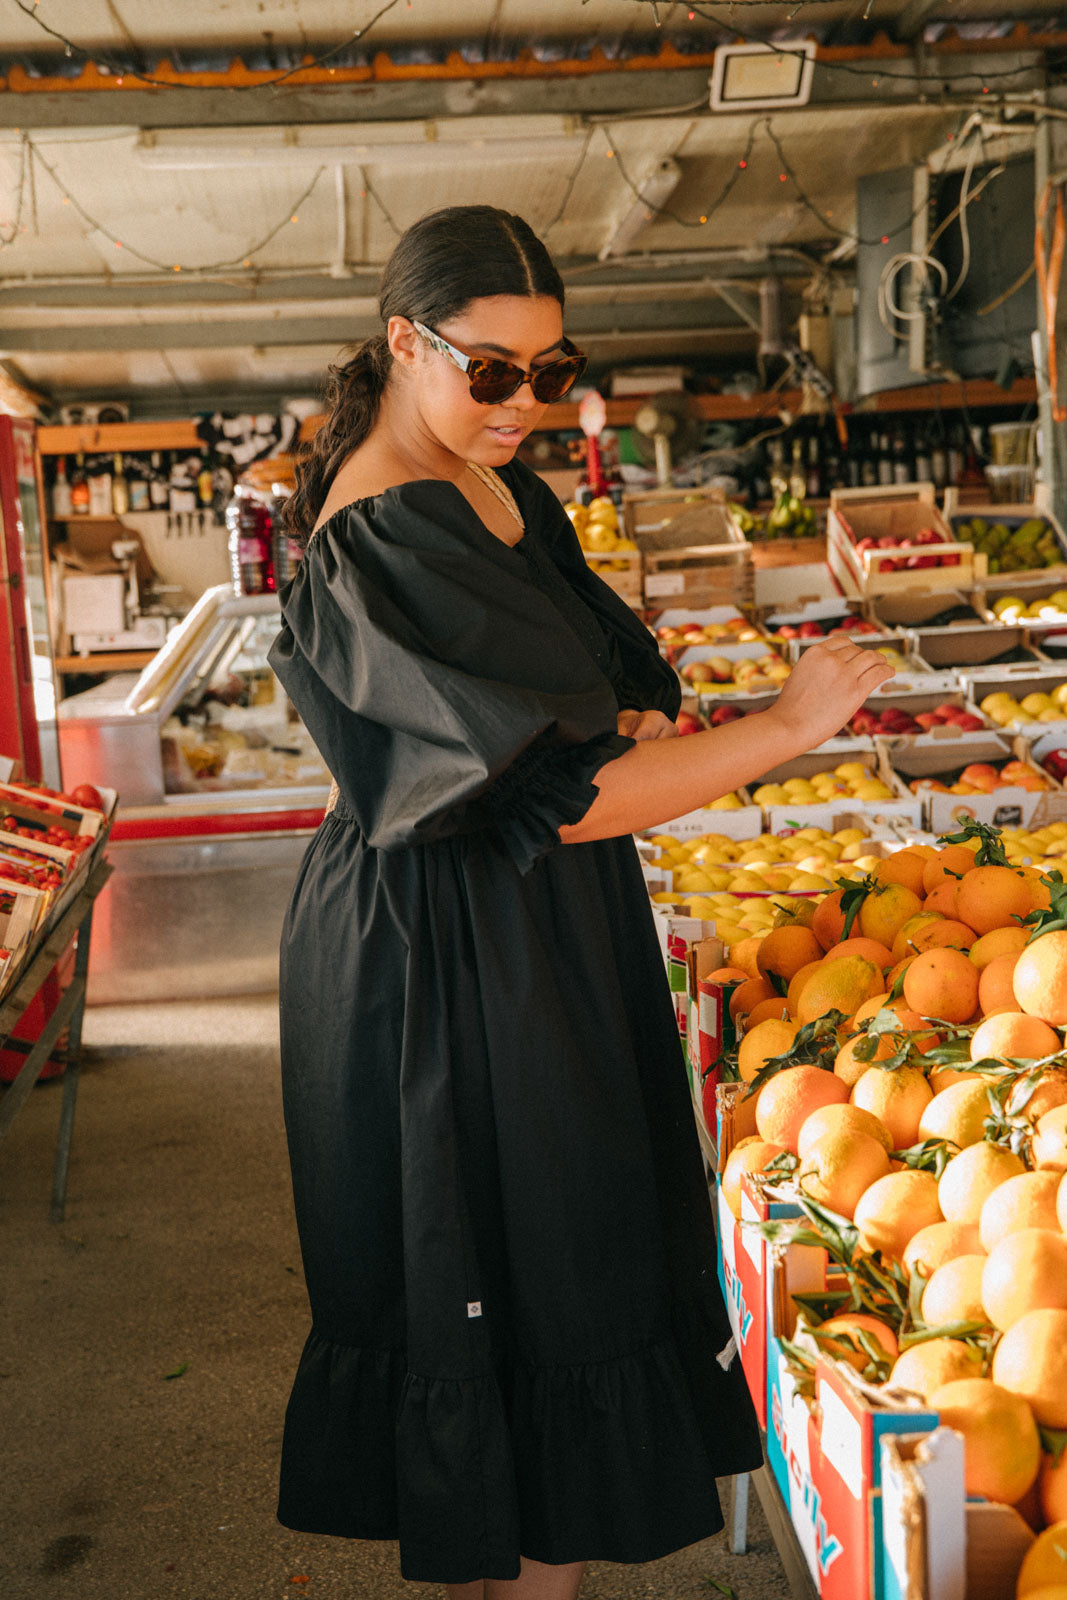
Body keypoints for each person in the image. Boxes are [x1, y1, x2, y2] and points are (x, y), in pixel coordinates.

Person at [269, 204, 893, 1600]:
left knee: (558, 1272)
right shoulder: (384, 527)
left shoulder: (494, 485)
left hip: (526, 923)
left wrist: (619, 714)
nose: (523, 405)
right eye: (489, 370)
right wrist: (790, 728)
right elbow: (568, 797)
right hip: (450, 958)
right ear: (401, 345)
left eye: (551, 373)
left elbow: (569, 717)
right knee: (516, 1280)